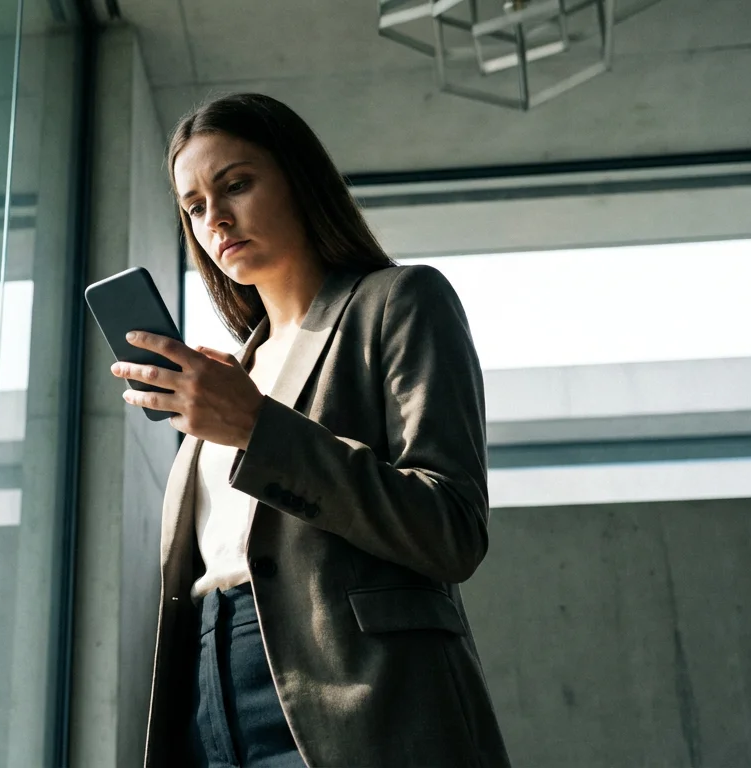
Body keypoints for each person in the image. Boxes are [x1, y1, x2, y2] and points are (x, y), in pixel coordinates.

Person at [109, 93, 510, 768]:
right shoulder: (230, 373)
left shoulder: (399, 302)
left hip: (359, 696)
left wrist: (260, 428)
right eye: (195, 206)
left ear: (299, 178)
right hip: (208, 700)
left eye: (236, 185)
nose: (217, 219)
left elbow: (452, 529)